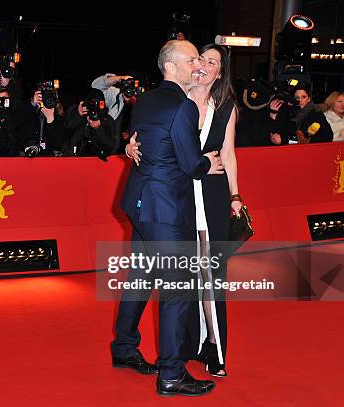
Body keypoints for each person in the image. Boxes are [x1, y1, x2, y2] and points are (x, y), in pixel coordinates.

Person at [111, 40, 223, 397]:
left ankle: (125, 349)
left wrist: (130, 143)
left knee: (140, 278)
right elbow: (191, 164)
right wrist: (211, 163)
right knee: (178, 288)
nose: (198, 65)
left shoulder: (145, 98)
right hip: (166, 211)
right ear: (171, 67)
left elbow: (141, 140)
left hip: (140, 203)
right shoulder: (182, 106)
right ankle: (172, 374)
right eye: (191, 60)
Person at [127, 43, 242, 378]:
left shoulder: (226, 107)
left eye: (212, 62)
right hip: (176, 196)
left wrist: (236, 196)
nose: (203, 65)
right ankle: (187, 345)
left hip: (210, 194)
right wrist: (129, 146)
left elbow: (229, 154)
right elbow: (146, 136)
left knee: (210, 276)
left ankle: (215, 350)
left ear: (220, 73)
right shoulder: (176, 98)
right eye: (200, 59)